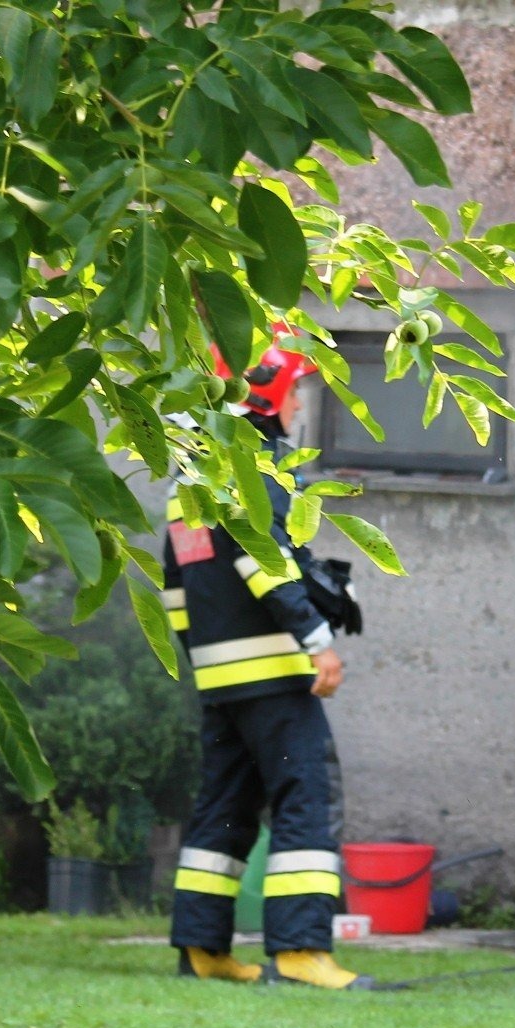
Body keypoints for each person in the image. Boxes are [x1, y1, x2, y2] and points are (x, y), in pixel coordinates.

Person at [162, 339, 378, 989]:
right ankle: (300, 950)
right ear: (266, 398)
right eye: (296, 393)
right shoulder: (252, 470)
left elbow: (177, 589)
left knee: (223, 809)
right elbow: (266, 563)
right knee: (305, 797)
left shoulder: (191, 482)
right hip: (275, 676)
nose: (300, 407)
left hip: (220, 678)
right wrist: (317, 638)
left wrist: (206, 662)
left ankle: (203, 948)